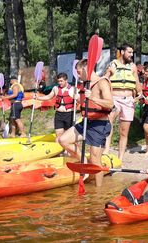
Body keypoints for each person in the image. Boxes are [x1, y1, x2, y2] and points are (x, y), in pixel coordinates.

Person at [59, 59, 113, 187]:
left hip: (99, 125)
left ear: (85, 69)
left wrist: (92, 97)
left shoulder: (102, 82)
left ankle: (98, 193)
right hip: (86, 122)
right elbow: (85, 104)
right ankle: (84, 160)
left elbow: (110, 104)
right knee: (63, 140)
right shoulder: (85, 84)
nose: (78, 75)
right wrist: (78, 98)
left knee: (96, 161)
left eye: (79, 72)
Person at [103, 43, 142, 163]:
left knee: (124, 132)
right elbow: (104, 80)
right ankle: (105, 153)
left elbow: (137, 83)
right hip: (114, 99)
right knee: (108, 126)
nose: (131, 54)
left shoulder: (133, 67)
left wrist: (140, 93)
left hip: (128, 101)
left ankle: (120, 159)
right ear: (122, 52)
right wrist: (109, 72)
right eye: (129, 52)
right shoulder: (113, 64)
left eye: (132, 52)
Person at [35, 73, 78, 142]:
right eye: (58, 81)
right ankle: (58, 150)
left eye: (61, 81)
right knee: (58, 134)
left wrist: (77, 97)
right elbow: (49, 97)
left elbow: (80, 100)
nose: (60, 83)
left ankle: (68, 150)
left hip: (69, 114)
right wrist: (38, 98)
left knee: (68, 135)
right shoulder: (55, 88)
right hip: (59, 114)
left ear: (66, 80)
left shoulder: (73, 89)